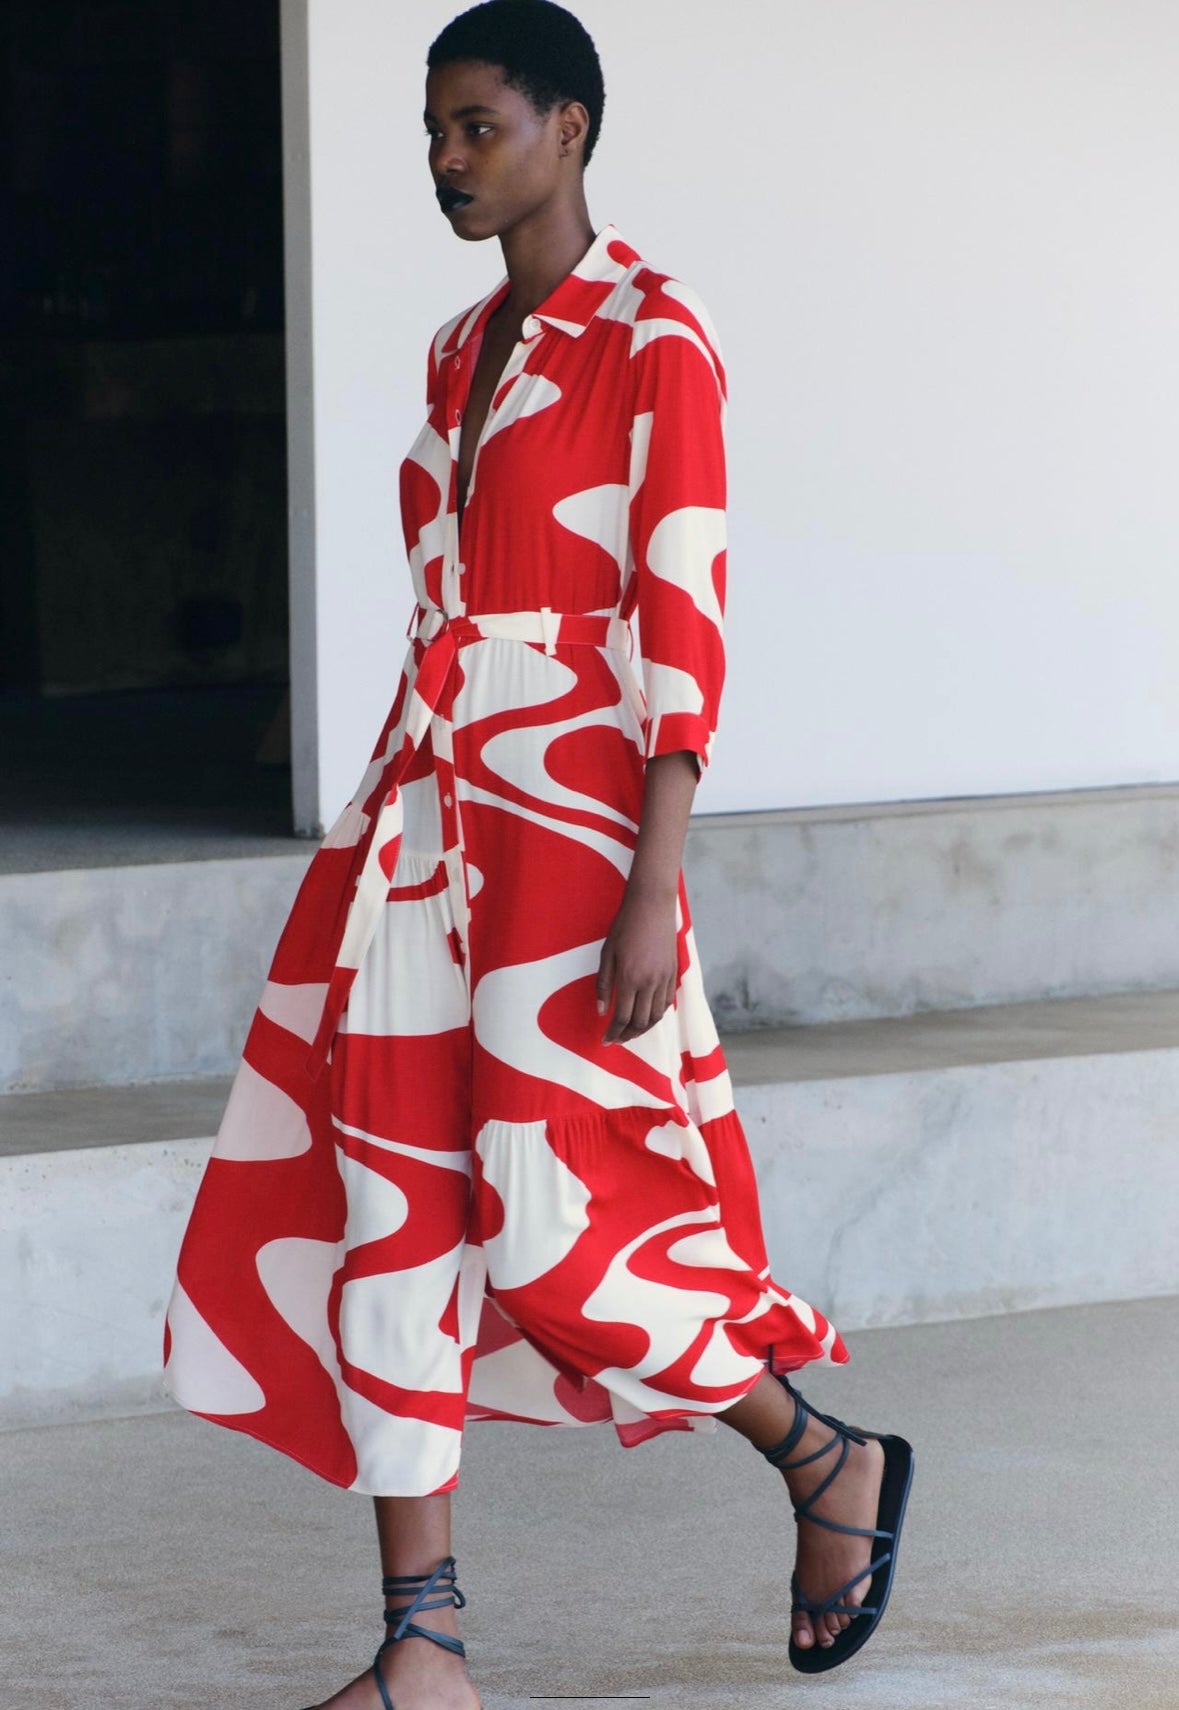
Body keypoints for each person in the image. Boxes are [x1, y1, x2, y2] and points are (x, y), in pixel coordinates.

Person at [161, 3, 913, 1704]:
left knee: (563, 1234)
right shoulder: (452, 349)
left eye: (478, 127)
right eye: (434, 132)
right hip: (425, 826)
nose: (447, 159)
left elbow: (681, 608)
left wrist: (654, 877)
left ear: (569, 127)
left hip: (575, 834)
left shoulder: (658, 334)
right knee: (392, 1212)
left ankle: (821, 1450)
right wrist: (375, 837)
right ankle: (423, 1650)